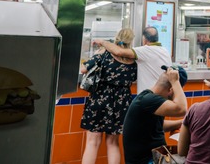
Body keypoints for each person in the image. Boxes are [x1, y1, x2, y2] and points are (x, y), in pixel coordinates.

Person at [80, 28, 137, 164]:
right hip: (122, 102)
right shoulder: (133, 60)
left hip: (100, 98)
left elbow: (83, 69)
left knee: (93, 142)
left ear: (116, 38)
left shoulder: (104, 54)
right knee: (113, 143)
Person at [123, 66, 188, 164]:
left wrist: (182, 123)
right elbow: (181, 109)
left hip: (155, 158)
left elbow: (159, 125)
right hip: (147, 161)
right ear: (171, 90)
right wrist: (175, 82)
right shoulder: (147, 100)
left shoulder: (150, 99)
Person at [96, 26, 172, 93]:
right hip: (164, 94)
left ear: (144, 38)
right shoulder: (165, 51)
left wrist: (102, 42)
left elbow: (118, 51)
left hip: (150, 97)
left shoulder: (145, 50)